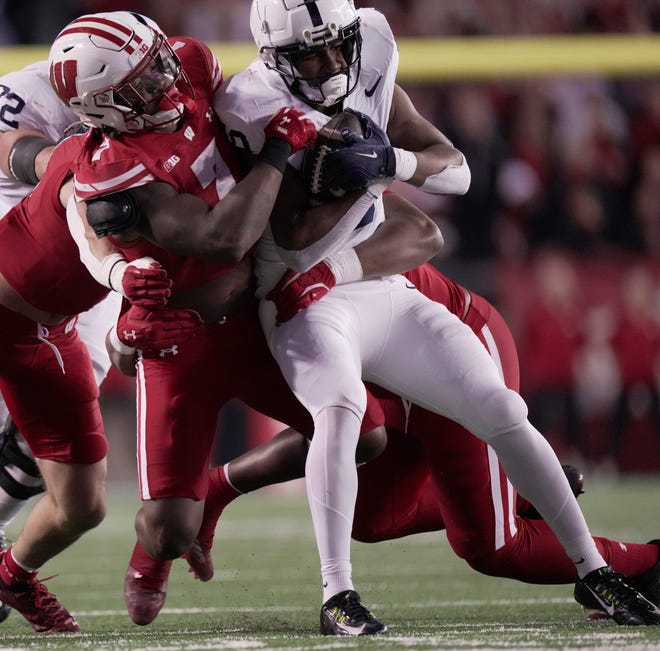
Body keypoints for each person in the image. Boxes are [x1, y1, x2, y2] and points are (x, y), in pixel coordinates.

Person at [212, 0, 660, 632]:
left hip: (373, 279)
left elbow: (457, 173)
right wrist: (327, 166)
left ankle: (594, 571)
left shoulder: (369, 52)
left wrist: (387, 163)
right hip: (299, 293)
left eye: (338, 45)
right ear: (275, 59)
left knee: (502, 408)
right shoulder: (245, 107)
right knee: (339, 410)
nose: (334, 62)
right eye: (311, 53)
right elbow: (287, 232)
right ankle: (336, 595)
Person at [0, 101, 195, 631]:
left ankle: (10, 576)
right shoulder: (88, 154)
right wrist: (116, 273)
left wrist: (133, 329)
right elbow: (86, 225)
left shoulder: (188, 164)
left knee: (82, 506)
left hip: (51, 333)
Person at [0, 58, 126, 625]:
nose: (153, 93)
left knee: (83, 501)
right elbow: (11, 147)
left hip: (66, 315)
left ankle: (10, 570)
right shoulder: (51, 108)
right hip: (19, 229)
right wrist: (54, 163)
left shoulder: (173, 122)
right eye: (138, 80)